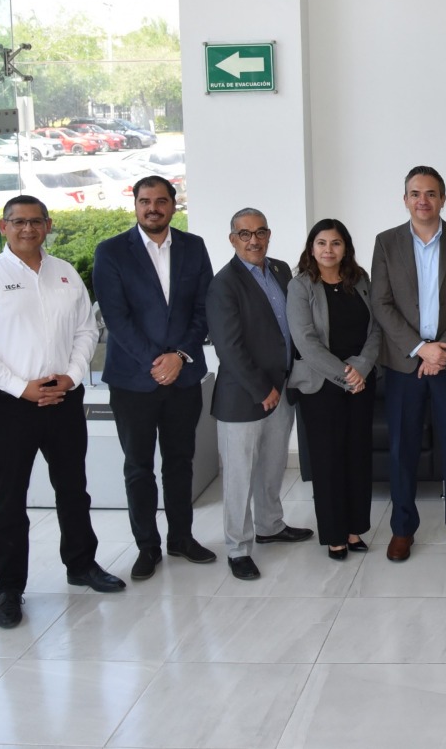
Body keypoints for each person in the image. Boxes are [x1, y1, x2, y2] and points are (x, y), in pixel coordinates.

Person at [0, 196, 126, 629]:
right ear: (3, 226)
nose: (27, 229)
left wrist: (71, 377)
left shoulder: (65, 273)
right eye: (18, 222)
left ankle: (81, 565)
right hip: (9, 404)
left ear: (48, 225)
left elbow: (86, 330)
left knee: (73, 488)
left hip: (63, 398)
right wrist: (22, 388)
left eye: (36, 221)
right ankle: (10, 587)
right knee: (9, 497)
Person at [91, 176, 217, 580]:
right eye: (145, 201)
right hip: (133, 380)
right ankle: (147, 546)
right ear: (135, 205)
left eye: (161, 201)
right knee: (138, 467)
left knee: (180, 462)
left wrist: (179, 357)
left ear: (173, 206)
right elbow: (116, 318)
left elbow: (204, 309)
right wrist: (157, 361)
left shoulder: (193, 247)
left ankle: (181, 538)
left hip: (184, 376)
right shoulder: (111, 252)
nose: (153, 208)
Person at [369, 166, 446, 562]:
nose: (423, 200)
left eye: (431, 193)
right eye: (415, 193)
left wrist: (442, 350)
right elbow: (381, 302)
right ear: (405, 200)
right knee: (403, 449)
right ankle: (402, 529)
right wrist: (421, 348)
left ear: (443, 199)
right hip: (405, 364)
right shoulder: (386, 242)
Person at [206, 209, 315, 581]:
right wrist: (260, 389)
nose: (254, 240)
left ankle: (270, 525)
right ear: (232, 239)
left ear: (269, 235)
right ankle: (238, 548)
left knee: (272, 464)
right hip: (244, 396)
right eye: (245, 234)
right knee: (239, 476)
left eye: (260, 232)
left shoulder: (281, 270)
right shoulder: (224, 284)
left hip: (282, 387)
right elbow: (228, 346)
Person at [289, 219, 381, 560]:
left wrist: (361, 368)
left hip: (361, 383)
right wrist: (346, 375)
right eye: (322, 243)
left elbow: (376, 330)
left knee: (358, 456)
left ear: (346, 248)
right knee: (327, 461)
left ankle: (355, 529)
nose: (329, 249)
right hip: (321, 386)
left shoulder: (361, 281)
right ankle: (334, 535)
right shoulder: (300, 286)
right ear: (312, 248)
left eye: (336, 243)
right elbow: (305, 341)